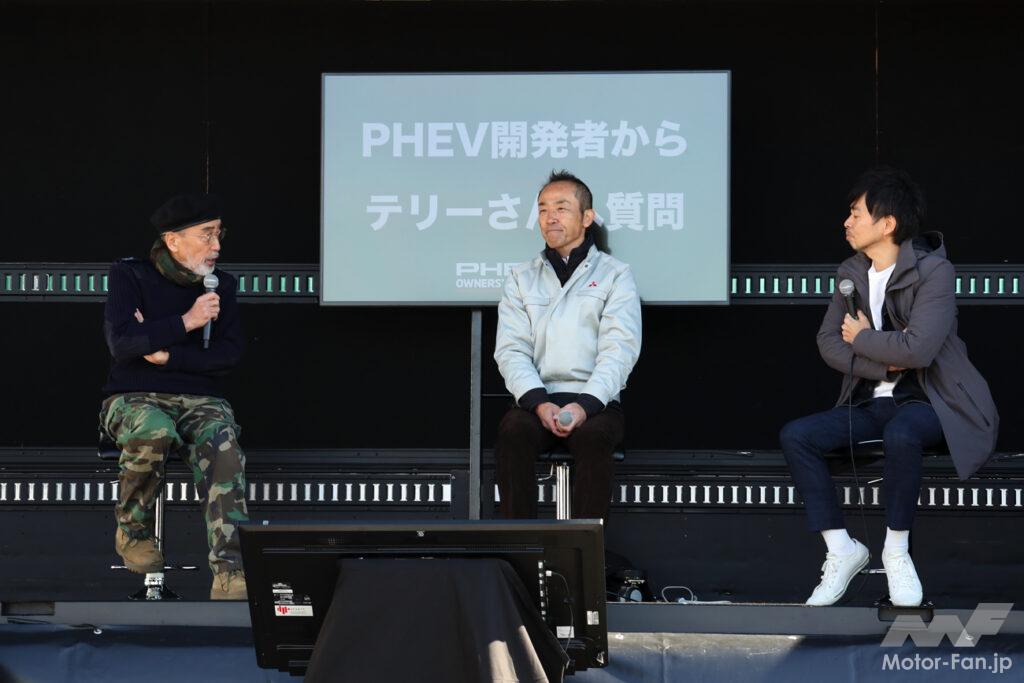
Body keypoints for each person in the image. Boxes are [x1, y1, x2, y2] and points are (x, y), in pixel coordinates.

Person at [780, 167, 998, 607]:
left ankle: (896, 551)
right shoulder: (850, 271)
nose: (847, 222)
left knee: (903, 432)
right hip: (872, 400)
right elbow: (828, 342)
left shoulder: (935, 271)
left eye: (856, 213)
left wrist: (862, 338)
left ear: (888, 223)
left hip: (933, 400)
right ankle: (842, 549)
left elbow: (919, 350)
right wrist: (886, 364)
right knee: (797, 435)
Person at [99, 192, 249, 600]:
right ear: (173, 240)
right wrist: (188, 321)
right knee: (154, 429)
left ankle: (230, 571)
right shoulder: (130, 275)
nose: (216, 246)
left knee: (224, 445)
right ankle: (133, 532)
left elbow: (228, 355)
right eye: (206, 235)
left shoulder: (222, 286)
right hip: (134, 396)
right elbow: (123, 344)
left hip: (201, 398)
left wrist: (166, 354)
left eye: (219, 235)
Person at [494, 171, 642, 523]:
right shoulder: (521, 277)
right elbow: (511, 350)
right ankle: (520, 546)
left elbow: (620, 349)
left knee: (594, 439)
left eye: (561, 208)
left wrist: (585, 405)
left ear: (587, 217)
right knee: (512, 433)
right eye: (543, 209)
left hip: (596, 402)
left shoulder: (615, 274)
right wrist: (539, 403)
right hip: (538, 400)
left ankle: (583, 549)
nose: (550, 218)